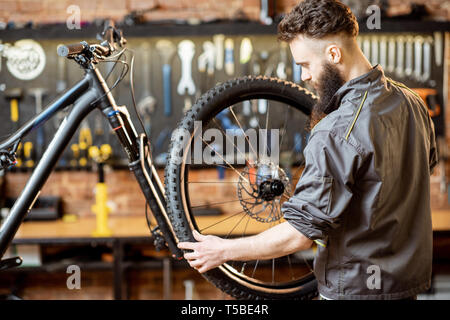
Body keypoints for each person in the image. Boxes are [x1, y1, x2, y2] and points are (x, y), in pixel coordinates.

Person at [178, 0, 438, 300]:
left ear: (333, 53)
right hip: (407, 289)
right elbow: (417, 174)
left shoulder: (337, 129)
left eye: (305, 65)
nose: (303, 76)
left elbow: (298, 236)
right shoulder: (413, 103)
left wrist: (222, 249)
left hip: (353, 292)